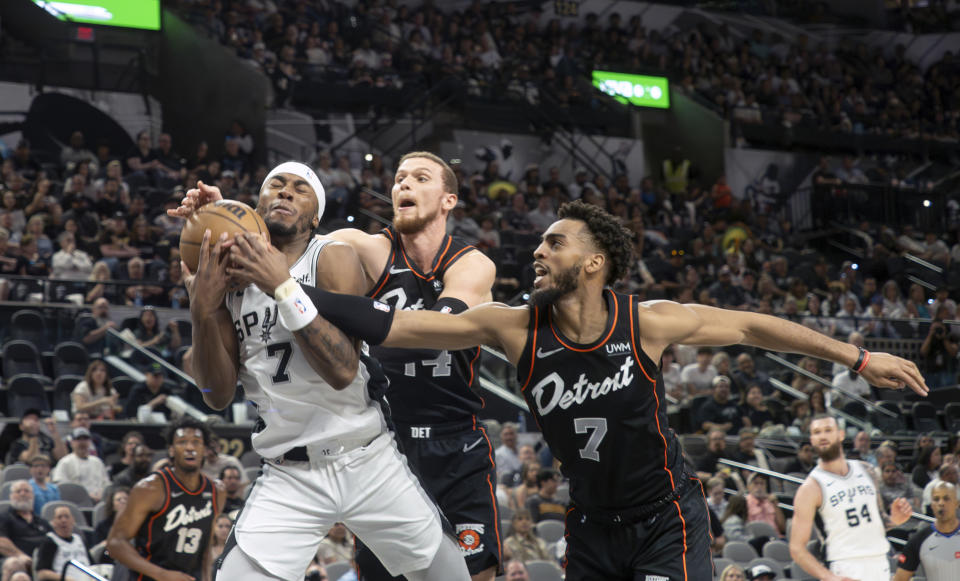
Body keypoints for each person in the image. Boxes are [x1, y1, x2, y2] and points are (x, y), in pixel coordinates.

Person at [285, 200, 928, 580]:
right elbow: (393, 323)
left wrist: (859, 355)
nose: (537, 252)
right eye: (539, 243)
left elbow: (753, 326)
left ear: (594, 263)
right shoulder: (513, 327)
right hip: (590, 524)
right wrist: (284, 283)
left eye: (554, 243)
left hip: (664, 517)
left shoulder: (645, 320)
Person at [174, 153, 500, 580]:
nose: (286, 191)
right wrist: (203, 301)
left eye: (300, 187)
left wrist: (281, 286)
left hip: (372, 453)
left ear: (316, 218)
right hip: (289, 469)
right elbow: (216, 395)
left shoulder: (334, 255)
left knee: (456, 576)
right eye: (275, 185)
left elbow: (343, 370)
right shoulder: (230, 282)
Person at [790, 414, 914, 581]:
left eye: (828, 430)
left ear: (840, 434)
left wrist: (895, 520)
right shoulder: (811, 488)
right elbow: (796, 548)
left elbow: (878, 521)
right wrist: (829, 577)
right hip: (844, 566)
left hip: (879, 561)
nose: (823, 436)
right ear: (812, 439)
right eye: (817, 432)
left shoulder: (867, 470)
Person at [108, 418, 226, 581]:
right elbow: (115, 543)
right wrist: (162, 575)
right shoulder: (149, 489)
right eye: (182, 442)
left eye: (196, 442)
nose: (190, 448)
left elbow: (205, 550)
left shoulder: (217, 491)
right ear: (171, 450)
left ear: (205, 450)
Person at [894, 481, 960, 581]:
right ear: (932, 505)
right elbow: (900, 578)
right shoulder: (918, 540)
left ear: (956, 503)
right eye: (936, 499)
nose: (941, 503)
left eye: (946, 498)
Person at [0, 480, 53, 579]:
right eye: (18, 491)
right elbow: (1, 542)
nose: (23, 494)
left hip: (42, 564)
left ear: (33, 496)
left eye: (26, 491)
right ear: (11, 496)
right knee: (14, 565)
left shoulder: (42, 522)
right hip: (16, 562)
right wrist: (21, 556)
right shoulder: (4, 517)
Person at [51, 427, 111, 503]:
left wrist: (101, 494)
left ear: (89, 442)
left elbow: (106, 484)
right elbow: (62, 487)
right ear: (72, 442)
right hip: (77, 503)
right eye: (78, 439)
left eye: (85, 439)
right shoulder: (65, 462)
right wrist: (87, 495)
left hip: (99, 501)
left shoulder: (97, 462)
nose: (82, 442)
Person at [34, 503, 92, 580]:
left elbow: (93, 565)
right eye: (59, 517)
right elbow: (42, 573)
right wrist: (66, 579)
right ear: (53, 522)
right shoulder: (49, 542)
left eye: (67, 517)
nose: (63, 520)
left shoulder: (80, 540)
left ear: (73, 521)